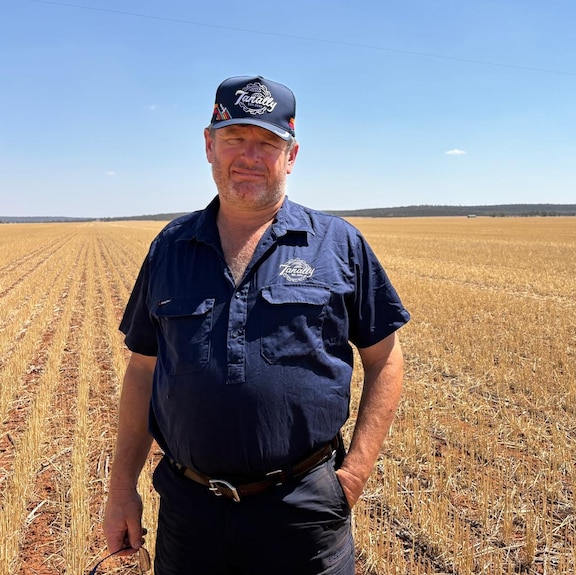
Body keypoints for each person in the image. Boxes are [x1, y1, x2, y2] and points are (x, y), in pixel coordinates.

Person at [103, 75, 410, 575]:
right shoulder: (170, 248)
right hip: (191, 512)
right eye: (234, 138)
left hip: (302, 511)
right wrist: (121, 491)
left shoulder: (337, 245)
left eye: (268, 142)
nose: (249, 155)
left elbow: (386, 358)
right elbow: (142, 371)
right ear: (209, 145)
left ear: (291, 155)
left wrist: (352, 475)